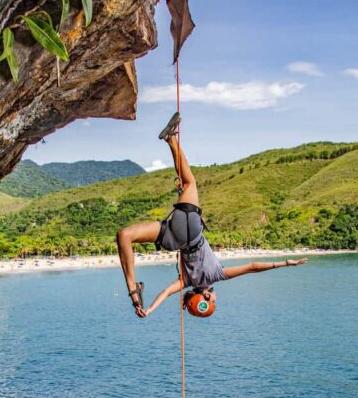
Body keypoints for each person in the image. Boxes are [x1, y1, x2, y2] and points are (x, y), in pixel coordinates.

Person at [116, 112, 307, 318]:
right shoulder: (186, 282)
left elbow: (252, 267)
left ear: (206, 296)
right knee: (124, 235)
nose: (216, 299)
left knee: (189, 183)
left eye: (214, 302)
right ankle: (133, 291)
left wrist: (286, 263)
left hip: (189, 231)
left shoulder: (217, 276)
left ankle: (170, 138)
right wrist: (149, 309)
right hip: (172, 240)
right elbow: (166, 292)